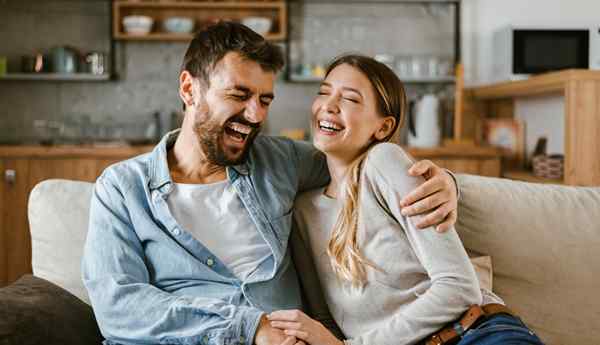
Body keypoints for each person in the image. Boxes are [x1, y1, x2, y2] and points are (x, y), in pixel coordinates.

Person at [82, 23, 459, 345]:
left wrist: (445, 182)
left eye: (265, 100)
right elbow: (119, 305)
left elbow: (360, 158)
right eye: (239, 95)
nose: (255, 115)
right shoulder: (122, 189)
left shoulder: (280, 161)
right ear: (189, 89)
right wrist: (249, 328)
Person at [267, 55, 545, 345]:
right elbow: (327, 322)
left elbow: (460, 288)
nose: (328, 105)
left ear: (383, 128)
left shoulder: (382, 162)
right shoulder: (302, 211)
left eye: (349, 99)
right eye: (323, 92)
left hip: (474, 335)